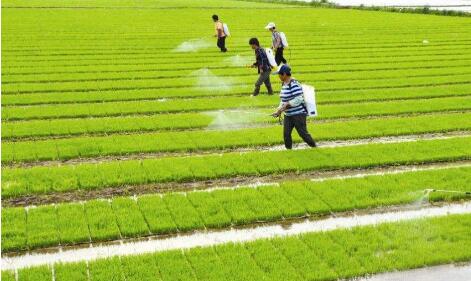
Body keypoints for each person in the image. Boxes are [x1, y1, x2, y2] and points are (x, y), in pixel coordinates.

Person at [271, 65, 317, 149]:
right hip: (288, 115)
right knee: (286, 134)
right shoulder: (284, 84)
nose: (278, 76)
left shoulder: (294, 84)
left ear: (284, 74)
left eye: (279, 74)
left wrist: (285, 106)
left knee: (303, 134)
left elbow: (299, 99)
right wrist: (278, 109)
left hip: (298, 114)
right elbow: (283, 99)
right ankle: (289, 150)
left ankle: (314, 147)